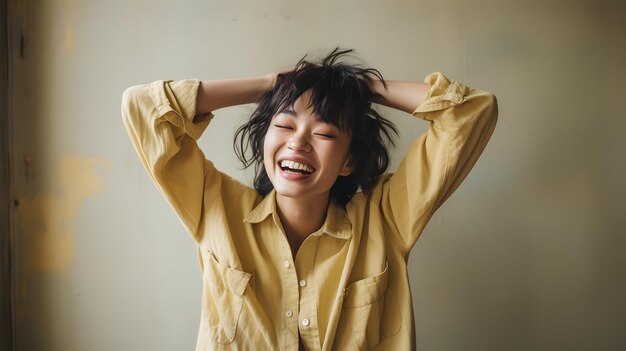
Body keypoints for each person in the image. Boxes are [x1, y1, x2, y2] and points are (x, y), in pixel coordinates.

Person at [121, 48, 497, 351]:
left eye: (325, 134)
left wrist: (359, 88)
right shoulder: (216, 207)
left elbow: (470, 111)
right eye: (284, 125)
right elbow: (143, 108)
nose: (298, 142)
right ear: (265, 140)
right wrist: (273, 84)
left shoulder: (386, 219)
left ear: (349, 161)